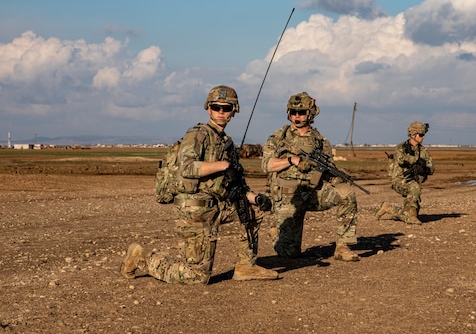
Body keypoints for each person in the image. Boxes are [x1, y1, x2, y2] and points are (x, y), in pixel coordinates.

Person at [120, 85, 279, 284]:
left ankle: (245, 266)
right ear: (208, 108)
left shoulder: (226, 143)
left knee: (254, 208)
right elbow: (187, 168)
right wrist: (223, 165)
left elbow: (238, 186)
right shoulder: (198, 134)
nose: (221, 112)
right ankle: (143, 258)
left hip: (217, 205)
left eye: (226, 108)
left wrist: (255, 198)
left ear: (234, 111)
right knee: (196, 277)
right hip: (195, 210)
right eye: (216, 107)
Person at [261, 92, 360, 261]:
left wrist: (338, 177)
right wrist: (292, 160)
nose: (297, 116)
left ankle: (343, 246)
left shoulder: (320, 141)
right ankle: (276, 233)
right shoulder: (279, 138)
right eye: (293, 112)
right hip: (287, 197)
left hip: (314, 193)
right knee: (290, 254)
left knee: (346, 192)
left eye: (301, 112)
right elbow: (267, 165)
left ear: (311, 114)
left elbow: (327, 169)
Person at [375, 122, 434, 225]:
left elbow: (431, 168)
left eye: (423, 135)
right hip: (400, 180)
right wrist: (416, 160)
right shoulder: (401, 148)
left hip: (413, 181)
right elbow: (401, 160)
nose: (423, 137)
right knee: (415, 188)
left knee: (411, 210)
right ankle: (411, 217)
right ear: (412, 135)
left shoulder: (423, 151)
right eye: (420, 135)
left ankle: (388, 209)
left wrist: (423, 168)